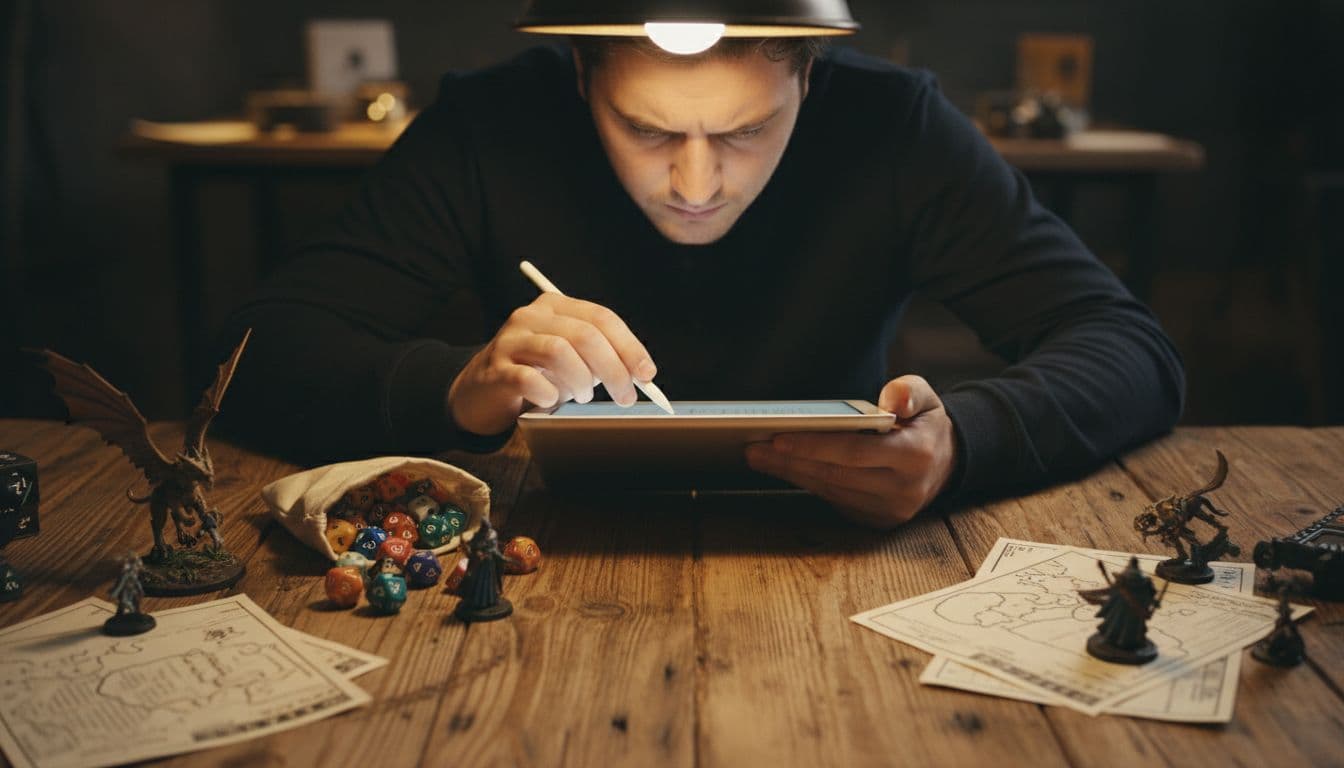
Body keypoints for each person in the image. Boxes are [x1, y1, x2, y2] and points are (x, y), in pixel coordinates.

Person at [219, 27, 1184, 529]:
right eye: (646, 129)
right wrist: (456, 387)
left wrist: (960, 446)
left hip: (839, 557)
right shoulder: (492, 127)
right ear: (583, 76)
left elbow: (1128, 347)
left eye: (744, 131)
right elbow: (252, 352)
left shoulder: (894, 128)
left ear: (811, 78)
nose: (693, 183)